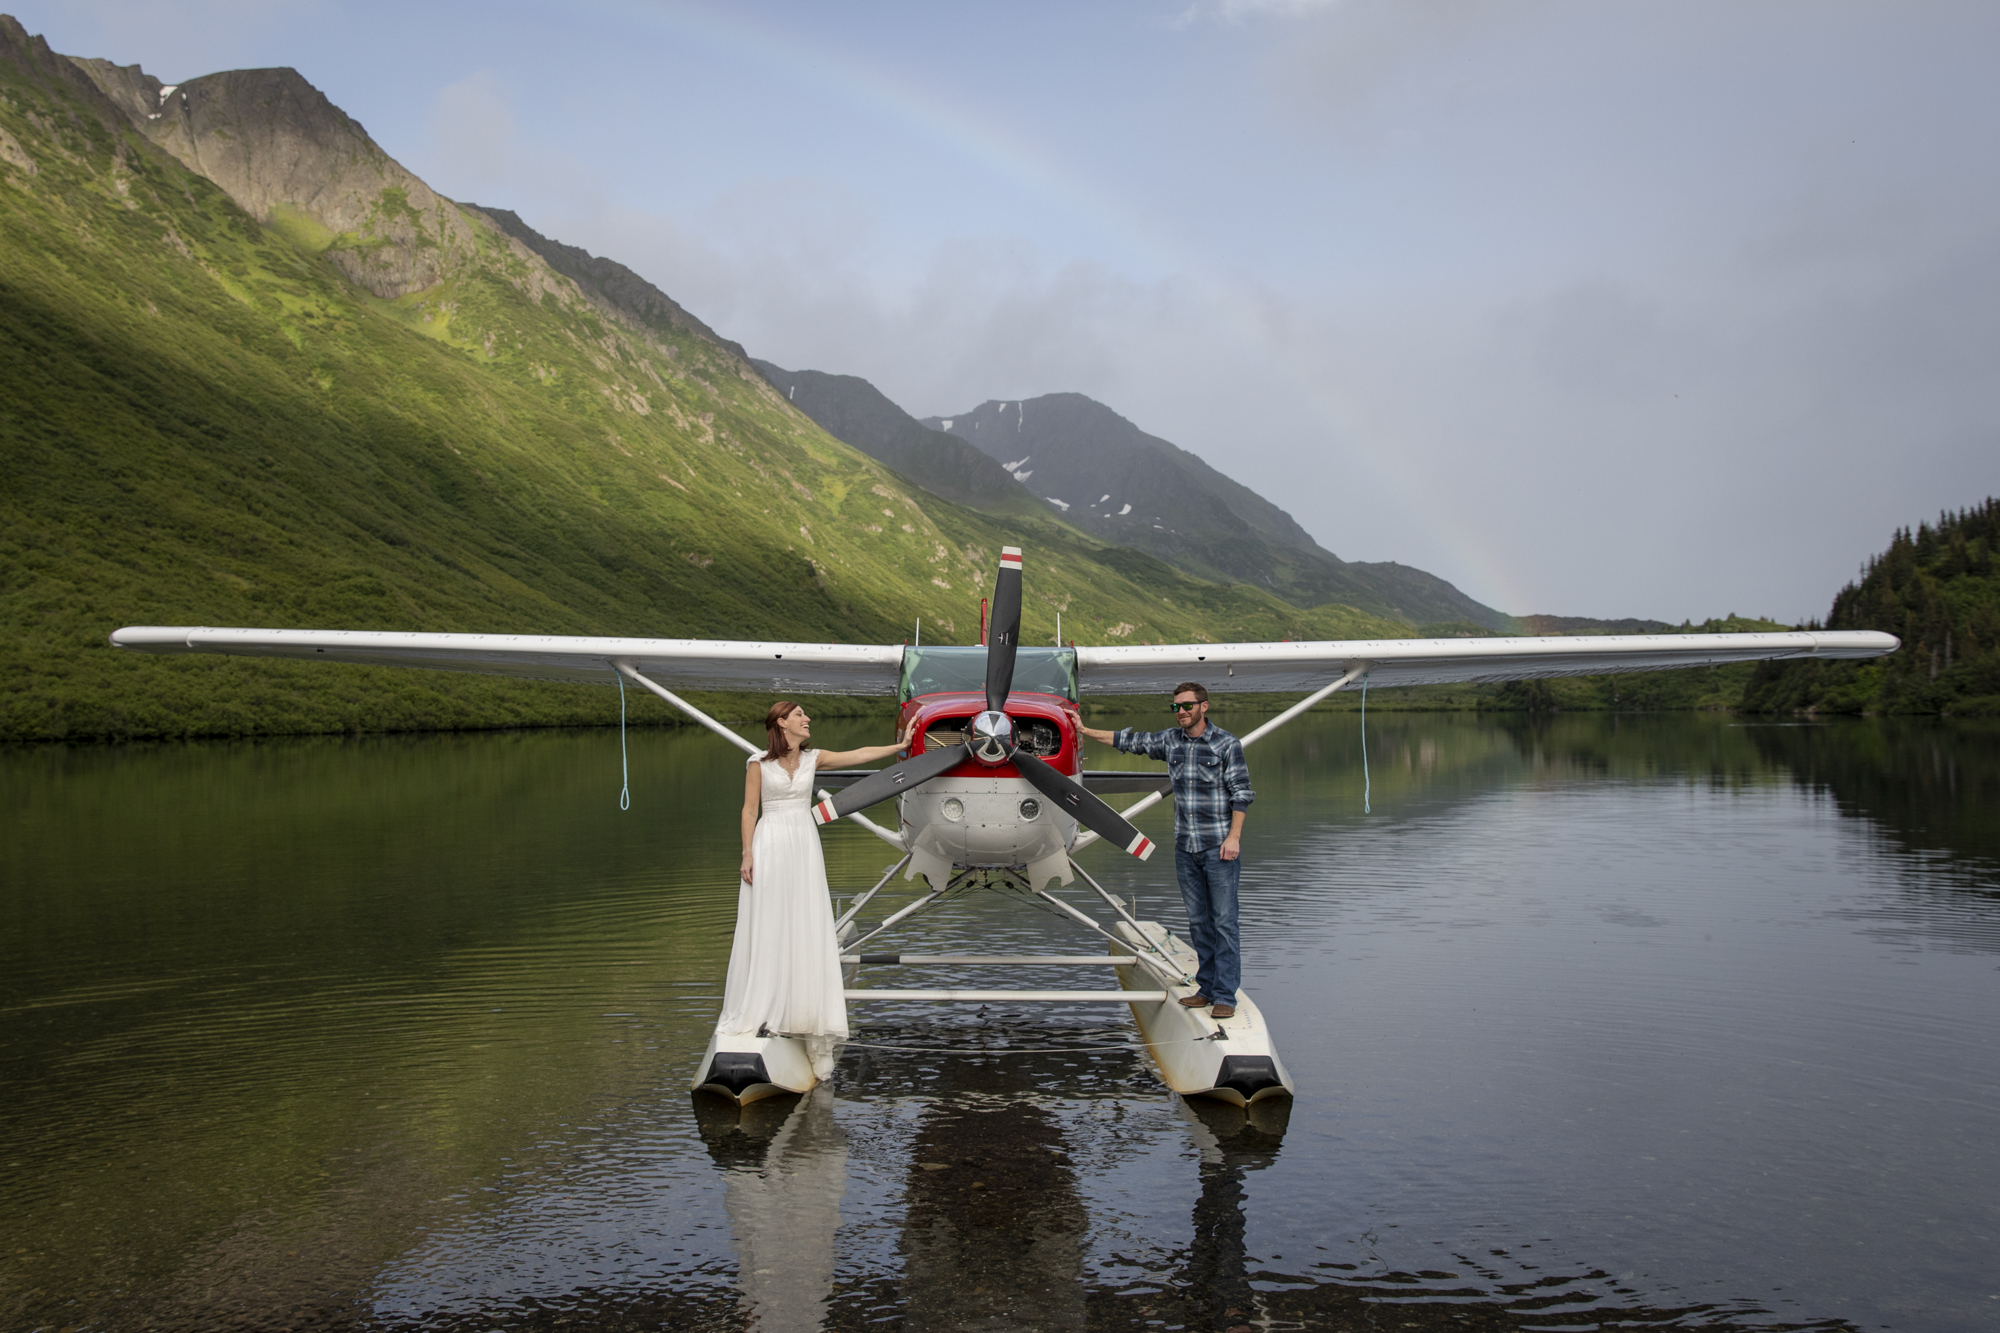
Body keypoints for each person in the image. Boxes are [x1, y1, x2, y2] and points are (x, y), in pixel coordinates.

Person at [720, 701, 917, 1077]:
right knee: (770, 920)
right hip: (771, 842)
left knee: (805, 920)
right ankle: (762, 1007)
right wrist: (747, 853)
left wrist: (899, 747)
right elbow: (749, 811)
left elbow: (858, 755)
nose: (806, 719)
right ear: (782, 722)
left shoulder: (813, 759)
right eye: (799, 715)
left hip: (804, 844)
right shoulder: (757, 762)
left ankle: (806, 1014)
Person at [1079, 682, 1254, 1020]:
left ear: (1204, 706)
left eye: (1188, 705)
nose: (1182, 712)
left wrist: (1234, 838)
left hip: (1219, 847)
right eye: (1176, 707)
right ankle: (1205, 988)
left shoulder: (1226, 744)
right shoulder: (1170, 741)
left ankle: (1225, 996)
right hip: (1185, 848)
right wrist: (1084, 730)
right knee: (1199, 922)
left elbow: (1242, 793)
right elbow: (1129, 741)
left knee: (1224, 923)